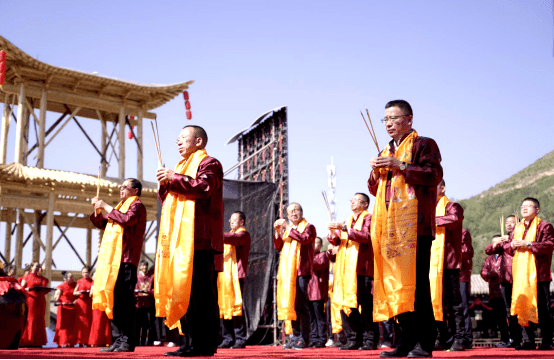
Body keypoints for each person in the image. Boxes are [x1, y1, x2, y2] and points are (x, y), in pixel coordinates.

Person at [368, 99, 443, 358]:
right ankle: (406, 339)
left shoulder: (423, 144)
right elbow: (375, 188)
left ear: (409, 119)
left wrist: (400, 165)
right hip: (389, 228)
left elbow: (433, 176)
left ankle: (425, 342)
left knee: (418, 286)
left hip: (415, 226)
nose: (388, 123)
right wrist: (377, 171)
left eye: (393, 118)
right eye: (385, 119)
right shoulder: (386, 149)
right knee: (395, 284)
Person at [156, 125, 224, 357]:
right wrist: (166, 184)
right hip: (179, 241)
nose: (178, 142)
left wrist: (173, 178)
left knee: (202, 296)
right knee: (184, 292)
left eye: (183, 138)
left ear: (199, 141)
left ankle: (205, 345)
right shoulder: (181, 167)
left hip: (200, 239)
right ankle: (189, 342)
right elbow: (169, 199)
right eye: (177, 139)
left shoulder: (209, 163)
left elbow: (204, 187)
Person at [90, 178, 147, 352]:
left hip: (126, 259)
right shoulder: (120, 207)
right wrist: (97, 211)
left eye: (124, 187)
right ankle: (117, 339)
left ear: (135, 191)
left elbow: (127, 220)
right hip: (112, 260)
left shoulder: (137, 206)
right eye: (121, 187)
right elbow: (101, 223)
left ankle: (128, 340)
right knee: (113, 299)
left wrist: (107, 206)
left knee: (125, 300)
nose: (121, 189)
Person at [328, 193, 378, 351]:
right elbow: (337, 241)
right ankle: (353, 338)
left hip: (362, 268)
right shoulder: (348, 220)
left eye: (356, 200)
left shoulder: (369, 218)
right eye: (351, 200)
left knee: (365, 305)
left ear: (365, 204)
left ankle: (369, 339)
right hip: (345, 270)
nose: (352, 202)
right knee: (347, 304)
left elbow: (366, 236)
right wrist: (332, 233)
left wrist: (343, 228)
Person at [504, 197, 554, 350]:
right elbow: (507, 247)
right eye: (522, 206)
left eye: (528, 206)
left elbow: (549, 245)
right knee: (523, 306)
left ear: (537, 209)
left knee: (543, 308)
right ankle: (528, 341)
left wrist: (529, 244)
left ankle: (547, 341)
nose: (524, 208)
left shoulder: (544, 226)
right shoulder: (517, 228)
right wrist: (511, 244)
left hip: (539, 274)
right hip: (520, 276)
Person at [274, 202, 316, 350]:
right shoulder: (288, 229)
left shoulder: (309, 227)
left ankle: (305, 338)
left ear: (302, 212)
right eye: (290, 211)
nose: (293, 213)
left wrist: (287, 228)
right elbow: (278, 246)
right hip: (287, 272)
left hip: (301, 271)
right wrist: (278, 232)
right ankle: (295, 337)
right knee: (290, 304)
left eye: (296, 210)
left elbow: (304, 239)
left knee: (301, 305)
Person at [432, 180, 465, 351]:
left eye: (433, 185)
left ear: (442, 188)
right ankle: (441, 337)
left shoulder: (453, 206)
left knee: (454, 303)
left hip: (449, 262)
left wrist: (429, 220)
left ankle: (459, 338)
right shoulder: (427, 207)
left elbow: (454, 219)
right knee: (436, 301)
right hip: (431, 264)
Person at [485, 215, 522, 347]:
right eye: (507, 222)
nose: (508, 224)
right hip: (506, 279)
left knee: (521, 309)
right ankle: (514, 339)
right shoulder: (503, 240)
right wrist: (497, 242)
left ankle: (527, 338)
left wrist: (511, 239)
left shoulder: (521, 236)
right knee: (509, 311)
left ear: (518, 223)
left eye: (512, 222)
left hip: (520, 277)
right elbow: (488, 250)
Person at [218, 211, 251, 349]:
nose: (231, 222)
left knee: (236, 306)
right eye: (230, 219)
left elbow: (234, 239)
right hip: (225, 276)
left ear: (242, 222)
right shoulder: (229, 236)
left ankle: (240, 338)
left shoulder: (243, 234)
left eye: (234, 219)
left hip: (237, 275)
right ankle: (227, 338)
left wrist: (216, 233)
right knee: (225, 306)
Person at [481, 235, 511, 346]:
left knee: (510, 315)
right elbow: (483, 272)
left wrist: (497, 274)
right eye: (493, 243)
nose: (496, 245)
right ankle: (504, 339)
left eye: (498, 242)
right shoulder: (489, 258)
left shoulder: (507, 255)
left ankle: (514, 338)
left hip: (505, 289)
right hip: (494, 292)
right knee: (500, 318)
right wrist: (489, 274)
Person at [19, 261, 49, 347]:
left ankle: (38, 341)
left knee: (39, 319)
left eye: (39, 266)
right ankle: (29, 341)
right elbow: (22, 288)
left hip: (40, 300)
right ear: (32, 267)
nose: (37, 268)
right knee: (31, 319)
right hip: (31, 300)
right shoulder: (27, 277)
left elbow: (45, 284)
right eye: (36, 266)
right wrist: (28, 289)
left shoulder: (41, 278)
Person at [307, 237, 329, 348]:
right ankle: (314, 338)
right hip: (308, 291)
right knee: (311, 318)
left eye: (316, 243)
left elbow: (319, 264)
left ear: (320, 245)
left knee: (319, 317)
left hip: (317, 292)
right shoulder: (308, 256)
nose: (313, 245)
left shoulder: (323, 255)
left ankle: (321, 338)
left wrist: (308, 256)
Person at [135, 260, 157, 346]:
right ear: (140, 267)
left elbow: (155, 289)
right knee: (138, 324)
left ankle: (148, 342)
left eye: (146, 266)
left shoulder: (151, 277)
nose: (144, 267)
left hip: (148, 304)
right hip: (139, 304)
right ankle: (137, 341)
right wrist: (138, 292)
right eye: (143, 266)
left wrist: (149, 291)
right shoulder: (137, 278)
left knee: (148, 324)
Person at [459, 228, 474, 349]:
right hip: (443, 275)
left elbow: (468, 252)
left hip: (460, 275)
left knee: (463, 308)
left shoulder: (463, 232)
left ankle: (467, 338)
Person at [54, 271, 77, 348]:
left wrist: (75, 301)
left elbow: (78, 296)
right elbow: (56, 296)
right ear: (66, 278)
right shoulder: (61, 286)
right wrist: (57, 298)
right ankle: (62, 342)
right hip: (63, 307)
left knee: (71, 325)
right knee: (62, 325)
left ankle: (70, 342)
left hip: (72, 307)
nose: (71, 278)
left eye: (72, 277)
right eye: (70, 277)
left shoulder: (75, 285)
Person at [74, 266, 94, 347]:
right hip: (81, 303)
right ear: (82, 273)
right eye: (84, 272)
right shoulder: (79, 281)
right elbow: (74, 293)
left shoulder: (92, 281)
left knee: (89, 322)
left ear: (89, 273)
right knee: (80, 323)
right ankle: (80, 341)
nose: (85, 274)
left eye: (86, 272)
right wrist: (80, 292)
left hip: (88, 303)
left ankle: (88, 341)